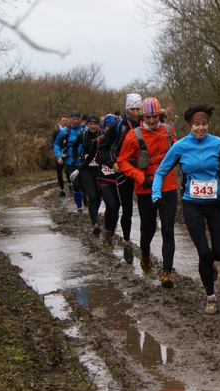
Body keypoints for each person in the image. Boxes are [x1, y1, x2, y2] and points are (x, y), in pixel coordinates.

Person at [152, 102, 220, 314]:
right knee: (203, 252)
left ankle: (212, 265)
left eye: (204, 124)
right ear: (190, 126)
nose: (201, 128)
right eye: (197, 125)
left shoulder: (218, 144)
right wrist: (156, 194)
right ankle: (210, 296)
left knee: (219, 252)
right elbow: (161, 172)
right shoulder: (180, 146)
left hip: (216, 204)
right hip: (192, 205)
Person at [116, 97, 177, 287]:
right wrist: (140, 177)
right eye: (148, 117)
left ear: (161, 115)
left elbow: (180, 151)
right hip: (145, 189)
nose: (151, 121)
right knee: (148, 229)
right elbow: (122, 162)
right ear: (142, 116)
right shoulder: (133, 136)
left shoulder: (168, 131)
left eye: (155, 117)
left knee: (167, 229)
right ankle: (144, 254)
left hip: (168, 187)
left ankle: (167, 272)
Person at [98, 94, 142, 263]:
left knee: (137, 210)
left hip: (139, 171)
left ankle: (135, 245)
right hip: (120, 172)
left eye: (138, 109)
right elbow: (103, 147)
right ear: (126, 109)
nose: (135, 112)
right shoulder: (118, 126)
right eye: (132, 109)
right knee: (120, 207)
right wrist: (112, 163)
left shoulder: (146, 124)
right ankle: (118, 238)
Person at [69, 114, 105, 235]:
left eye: (95, 124)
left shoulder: (101, 136)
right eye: (91, 124)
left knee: (99, 197)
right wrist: (75, 159)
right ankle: (95, 223)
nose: (93, 126)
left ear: (98, 125)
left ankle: (94, 213)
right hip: (86, 170)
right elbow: (74, 146)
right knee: (92, 196)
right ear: (87, 124)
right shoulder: (83, 135)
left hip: (99, 169)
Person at [53, 110, 86, 212]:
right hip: (70, 161)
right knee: (76, 184)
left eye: (77, 119)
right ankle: (79, 207)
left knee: (85, 184)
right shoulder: (64, 131)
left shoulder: (86, 129)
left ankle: (85, 196)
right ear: (70, 119)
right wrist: (59, 155)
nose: (76, 121)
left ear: (80, 119)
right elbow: (56, 144)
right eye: (74, 119)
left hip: (84, 161)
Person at [51, 115, 70, 197]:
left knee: (68, 170)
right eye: (63, 120)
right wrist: (57, 153)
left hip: (68, 154)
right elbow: (54, 143)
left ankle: (70, 184)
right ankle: (62, 189)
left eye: (66, 120)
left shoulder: (70, 131)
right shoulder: (56, 132)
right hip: (59, 154)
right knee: (59, 172)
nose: (64, 122)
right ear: (60, 122)